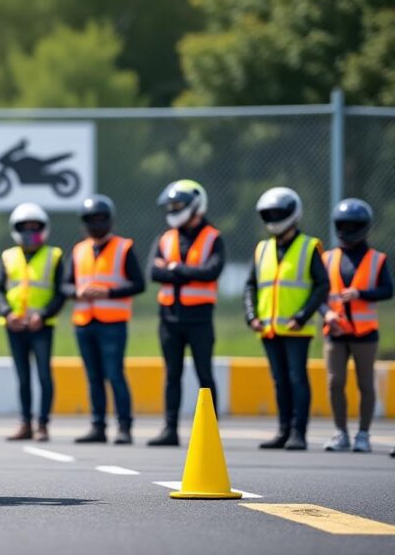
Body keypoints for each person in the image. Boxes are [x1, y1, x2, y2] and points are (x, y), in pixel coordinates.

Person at [243, 187, 328, 451]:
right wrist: (251, 316)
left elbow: (322, 285)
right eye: (269, 213)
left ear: (293, 214)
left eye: (278, 213)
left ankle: (298, 432)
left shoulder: (309, 246)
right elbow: (251, 285)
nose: (274, 217)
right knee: (280, 380)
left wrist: (303, 316)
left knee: (296, 378)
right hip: (268, 328)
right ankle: (282, 431)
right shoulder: (262, 249)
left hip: (296, 329)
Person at [147, 180, 224, 447]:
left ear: (195, 205)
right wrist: (185, 272)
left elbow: (211, 272)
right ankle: (170, 429)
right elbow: (154, 272)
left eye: (178, 205)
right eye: (171, 205)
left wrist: (175, 269)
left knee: (205, 373)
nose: (173, 209)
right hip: (169, 317)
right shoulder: (166, 237)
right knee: (172, 374)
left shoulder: (213, 237)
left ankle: (209, 430)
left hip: (199, 318)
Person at [64, 195, 144, 445]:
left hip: (113, 322)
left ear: (110, 221)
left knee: (114, 374)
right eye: (91, 219)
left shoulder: (124, 247)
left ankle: (124, 427)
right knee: (93, 376)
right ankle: (97, 426)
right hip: (85, 322)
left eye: (100, 219)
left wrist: (108, 292)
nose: (96, 224)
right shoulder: (79, 250)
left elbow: (139, 284)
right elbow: (65, 285)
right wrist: (77, 293)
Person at [320, 199, 392, 453]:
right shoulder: (327, 258)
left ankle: (363, 434)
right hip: (336, 331)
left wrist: (361, 293)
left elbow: (387, 290)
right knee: (334, 381)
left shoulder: (377, 259)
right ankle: (341, 433)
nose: (348, 229)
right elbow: (317, 294)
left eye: (354, 224)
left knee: (365, 383)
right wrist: (326, 314)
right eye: (343, 224)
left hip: (365, 334)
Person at [0, 203, 65, 442]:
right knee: (23, 378)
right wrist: (6, 313)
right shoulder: (8, 256)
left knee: (44, 375)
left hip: (41, 327)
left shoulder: (54, 256)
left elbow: (61, 292)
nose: (30, 231)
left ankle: (43, 424)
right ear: (16, 229)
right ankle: (25, 423)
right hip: (15, 326)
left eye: (35, 227)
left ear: (44, 229)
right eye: (25, 227)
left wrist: (42, 315)